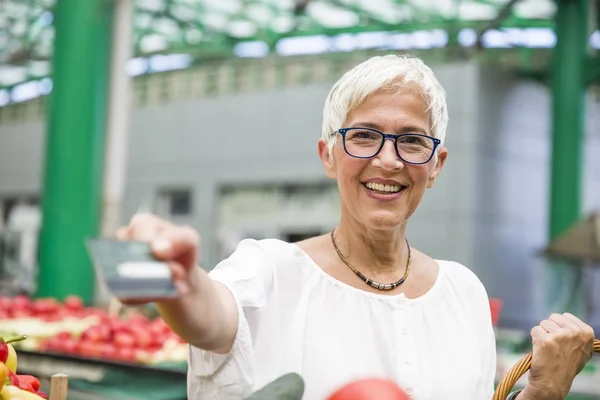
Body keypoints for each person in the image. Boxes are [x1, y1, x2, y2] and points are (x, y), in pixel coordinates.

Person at [115, 54, 595, 400]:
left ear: (436, 165)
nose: (387, 161)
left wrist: (545, 392)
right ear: (328, 155)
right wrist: (158, 273)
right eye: (364, 136)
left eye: (411, 141)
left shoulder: (463, 293)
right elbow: (207, 315)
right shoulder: (270, 270)